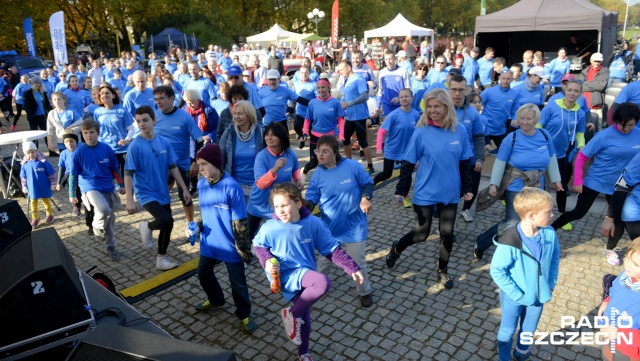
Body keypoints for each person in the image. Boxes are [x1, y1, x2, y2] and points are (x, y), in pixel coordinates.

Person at [253, 183, 363, 361]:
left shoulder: (313, 223)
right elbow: (258, 245)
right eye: (277, 206)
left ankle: (302, 352)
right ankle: (291, 315)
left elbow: (331, 249)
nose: (280, 211)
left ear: (298, 203)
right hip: (285, 275)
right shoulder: (270, 227)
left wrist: (352, 268)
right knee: (322, 283)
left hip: (304, 273)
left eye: (285, 205)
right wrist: (266, 262)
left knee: (304, 316)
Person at [384, 89, 473, 289]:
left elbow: (465, 161)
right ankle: (397, 248)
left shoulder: (459, 130)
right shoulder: (421, 132)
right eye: (429, 106)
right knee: (421, 234)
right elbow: (407, 163)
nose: (432, 110)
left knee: (447, 233)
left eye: (436, 106)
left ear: (446, 107)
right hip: (425, 192)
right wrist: (401, 190)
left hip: (450, 192)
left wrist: (468, 187)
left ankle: (443, 270)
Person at [552, 102, 640, 265]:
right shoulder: (603, 136)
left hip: (620, 186)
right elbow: (582, 157)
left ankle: (610, 249)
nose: (626, 129)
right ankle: (549, 229)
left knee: (618, 219)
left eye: (630, 125)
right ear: (616, 121)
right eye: (622, 125)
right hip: (596, 181)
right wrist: (578, 179)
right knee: (578, 213)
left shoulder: (638, 134)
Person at [474, 104, 562, 261]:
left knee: (533, 219)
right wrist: (494, 184)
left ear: (535, 120)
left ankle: (525, 248)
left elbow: (551, 158)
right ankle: (481, 242)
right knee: (513, 222)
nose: (525, 122)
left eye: (529, 118)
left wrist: (557, 180)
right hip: (516, 186)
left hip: (537, 187)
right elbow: (500, 162)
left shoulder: (545, 135)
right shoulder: (512, 138)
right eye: (521, 118)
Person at [490, 187, 560, 361]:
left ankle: (521, 353)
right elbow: (497, 271)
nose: (552, 215)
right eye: (548, 212)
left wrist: (550, 283)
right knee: (508, 329)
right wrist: (516, 294)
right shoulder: (510, 241)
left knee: (529, 329)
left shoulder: (549, 234)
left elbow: (554, 258)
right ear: (531, 215)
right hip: (514, 297)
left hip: (539, 296)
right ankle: (504, 357)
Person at [305, 135, 374, 307]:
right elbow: (312, 196)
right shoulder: (318, 174)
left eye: (325, 151)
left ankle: (364, 291)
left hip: (354, 225)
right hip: (330, 227)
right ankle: (315, 286)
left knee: (357, 261)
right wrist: (304, 209)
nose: (320, 155)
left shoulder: (351, 166)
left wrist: (365, 198)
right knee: (324, 260)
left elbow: (368, 183)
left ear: (335, 152)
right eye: (318, 151)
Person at [192, 143, 255, 333]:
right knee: (203, 274)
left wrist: (243, 249)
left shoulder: (231, 187)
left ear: (216, 163)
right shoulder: (201, 183)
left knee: (237, 282)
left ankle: (244, 314)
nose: (200, 168)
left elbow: (240, 223)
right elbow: (204, 212)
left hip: (230, 246)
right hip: (209, 242)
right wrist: (197, 226)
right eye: (198, 164)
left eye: (203, 164)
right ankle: (216, 300)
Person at [125, 106, 191, 271]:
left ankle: (161, 257)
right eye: (138, 121)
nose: (142, 124)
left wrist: (184, 189)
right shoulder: (134, 146)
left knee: (168, 225)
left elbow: (173, 166)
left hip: (162, 191)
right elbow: (127, 173)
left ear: (154, 120)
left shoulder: (164, 142)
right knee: (166, 220)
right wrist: (129, 199)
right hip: (145, 193)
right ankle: (147, 226)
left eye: (145, 120)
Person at [69, 119, 125, 261]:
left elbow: (114, 168)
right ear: (82, 134)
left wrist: (122, 184)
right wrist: (71, 194)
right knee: (103, 209)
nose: (89, 135)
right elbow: (73, 174)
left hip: (107, 186)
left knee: (111, 217)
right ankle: (95, 225)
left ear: (98, 133)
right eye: (85, 133)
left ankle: (110, 246)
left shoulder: (106, 149)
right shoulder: (78, 152)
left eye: (92, 132)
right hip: (89, 187)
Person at [153, 85, 206, 236]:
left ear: (172, 98)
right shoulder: (154, 117)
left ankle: (190, 224)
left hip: (181, 165)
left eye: (162, 98)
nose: (159, 102)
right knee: (161, 195)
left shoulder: (184, 117)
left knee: (185, 196)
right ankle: (163, 222)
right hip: (161, 166)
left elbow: (199, 140)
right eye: (156, 99)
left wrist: (195, 162)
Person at [539, 79, 587, 231]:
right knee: (538, 182)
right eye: (570, 90)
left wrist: (581, 144)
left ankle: (561, 214)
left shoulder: (580, 113)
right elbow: (538, 125)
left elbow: (580, 133)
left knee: (561, 185)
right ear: (565, 89)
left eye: (576, 91)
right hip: (542, 151)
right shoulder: (552, 105)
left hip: (560, 154)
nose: (572, 93)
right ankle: (536, 212)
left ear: (580, 93)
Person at [247, 122, 301, 240]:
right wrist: (275, 169)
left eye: (273, 135)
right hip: (259, 203)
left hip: (278, 205)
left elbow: (295, 168)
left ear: (281, 137)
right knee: (248, 236)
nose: (269, 138)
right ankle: (245, 256)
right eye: (267, 135)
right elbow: (260, 183)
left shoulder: (290, 153)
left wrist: (298, 179)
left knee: (280, 235)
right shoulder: (261, 156)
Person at [449, 76, 485, 222]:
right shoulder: (442, 110)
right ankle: (445, 221)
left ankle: (466, 209)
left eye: (461, 90)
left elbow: (479, 137)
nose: (457, 94)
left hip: (470, 159)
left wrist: (480, 158)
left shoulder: (472, 112)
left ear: (466, 90)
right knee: (451, 193)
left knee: (472, 188)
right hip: (449, 161)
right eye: (454, 90)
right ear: (448, 90)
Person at [597, 238, 640, 360]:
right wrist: (607, 301)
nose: (628, 265)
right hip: (610, 334)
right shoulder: (627, 274)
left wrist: (619, 332)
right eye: (627, 258)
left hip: (629, 350)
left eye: (636, 264)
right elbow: (615, 290)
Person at [373, 88, 418, 191]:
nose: (404, 99)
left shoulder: (415, 115)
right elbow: (381, 132)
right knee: (387, 174)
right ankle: (372, 183)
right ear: (398, 99)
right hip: (392, 149)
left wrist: (417, 154)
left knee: (406, 175)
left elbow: (418, 135)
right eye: (401, 97)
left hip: (407, 151)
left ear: (412, 98)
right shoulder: (393, 115)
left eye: (406, 96)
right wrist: (379, 148)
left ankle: (403, 195)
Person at [300, 79, 344, 179]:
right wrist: (304, 134)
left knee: (332, 160)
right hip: (315, 136)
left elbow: (341, 119)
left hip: (330, 136)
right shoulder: (312, 103)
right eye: (318, 88)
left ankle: (333, 181)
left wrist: (341, 135)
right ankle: (304, 170)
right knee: (313, 163)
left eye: (323, 87)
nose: (321, 90)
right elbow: (307, 119)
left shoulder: (335, 102)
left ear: (328, 88)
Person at [219, 100, 265, 194]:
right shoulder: (229, 133)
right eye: (234, 113)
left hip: (258, 187)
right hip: (234, 186)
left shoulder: (261, 132)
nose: (236, 117)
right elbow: (220, 159)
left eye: (240, 114)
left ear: (249, 115)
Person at [340, 60, 376, 174]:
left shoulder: (359, 79)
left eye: (342, 69)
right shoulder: (348, 80)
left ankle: (370, 166)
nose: (340, 72)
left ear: (349, 68)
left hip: (360, 116)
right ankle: (349, 163)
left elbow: (365, 96)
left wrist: (349, 103)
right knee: (345, 140)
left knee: (363, 142)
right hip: (350, 116)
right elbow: (348, 97)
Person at [93, 85, 135, 174]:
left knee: (126, 174)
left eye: (107, 93)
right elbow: (96, 131)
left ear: (113, 95)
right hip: (106, 149)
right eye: (102, 94)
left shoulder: (122, 110)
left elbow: (131, 129)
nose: (104, 95)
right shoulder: (97, 112)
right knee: (108, 174)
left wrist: (127, 140)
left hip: (122, 149)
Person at [20, 141, 56, 229]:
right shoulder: (24, 165)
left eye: (33, 152)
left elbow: (51, 173)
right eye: (28, 153)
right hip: (32, 188)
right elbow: (23, 177)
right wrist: (24, 186)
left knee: (46, 201)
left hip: (43, 186)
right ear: (25, 154)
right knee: (33, 203)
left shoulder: (43, 162)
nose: (31, 154)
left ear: (36, 151)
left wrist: (53, 183)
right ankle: (35, 218)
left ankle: (49, 215)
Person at [481, 70, 515, 150]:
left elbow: (515, 110)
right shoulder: (489, 91)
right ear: (499, 78)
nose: (505, 81)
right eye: (503, 78)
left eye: (508, 79)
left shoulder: (514, 94)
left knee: (507, 151)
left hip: (500, 130)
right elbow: (475, 104)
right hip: (485, 129)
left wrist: (515, 119)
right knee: (478, 155)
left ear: (512, 80)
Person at [580, 53, 609, 139]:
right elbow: (580, 86)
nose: (597, 63)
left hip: (597, 104)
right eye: (595, 61)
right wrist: (594, 85)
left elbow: (602, 86)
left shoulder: (605, 71)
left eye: (598, 61)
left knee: (599, 128)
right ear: (591, 61)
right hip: (584, 104)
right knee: (583, 127)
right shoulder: (584, 71)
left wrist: (587, 83)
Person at [377, 51, 410, 120]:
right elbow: (380, 90)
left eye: (390, 59)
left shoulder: (402, 71)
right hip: (387, 104)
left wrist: (399, 98)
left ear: (395, 59)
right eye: (386, 59)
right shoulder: (382, 72)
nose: (388, 61)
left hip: (400, 104)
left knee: (399, 126)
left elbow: (408, 89)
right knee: (387, 125)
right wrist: (378, 105)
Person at [22, 76, 53, 150]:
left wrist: (50, 113)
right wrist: (30, 115)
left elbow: (47, 105)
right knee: (34, 136)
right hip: (33, 117)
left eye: (39, 83)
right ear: (32, 84)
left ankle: (51, 150)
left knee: (46, 133)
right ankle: (35, 151)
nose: (38, 85)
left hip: (41, 116)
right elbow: (26, 106)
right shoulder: (27, 93)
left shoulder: (42, 93)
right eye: (36, 83)